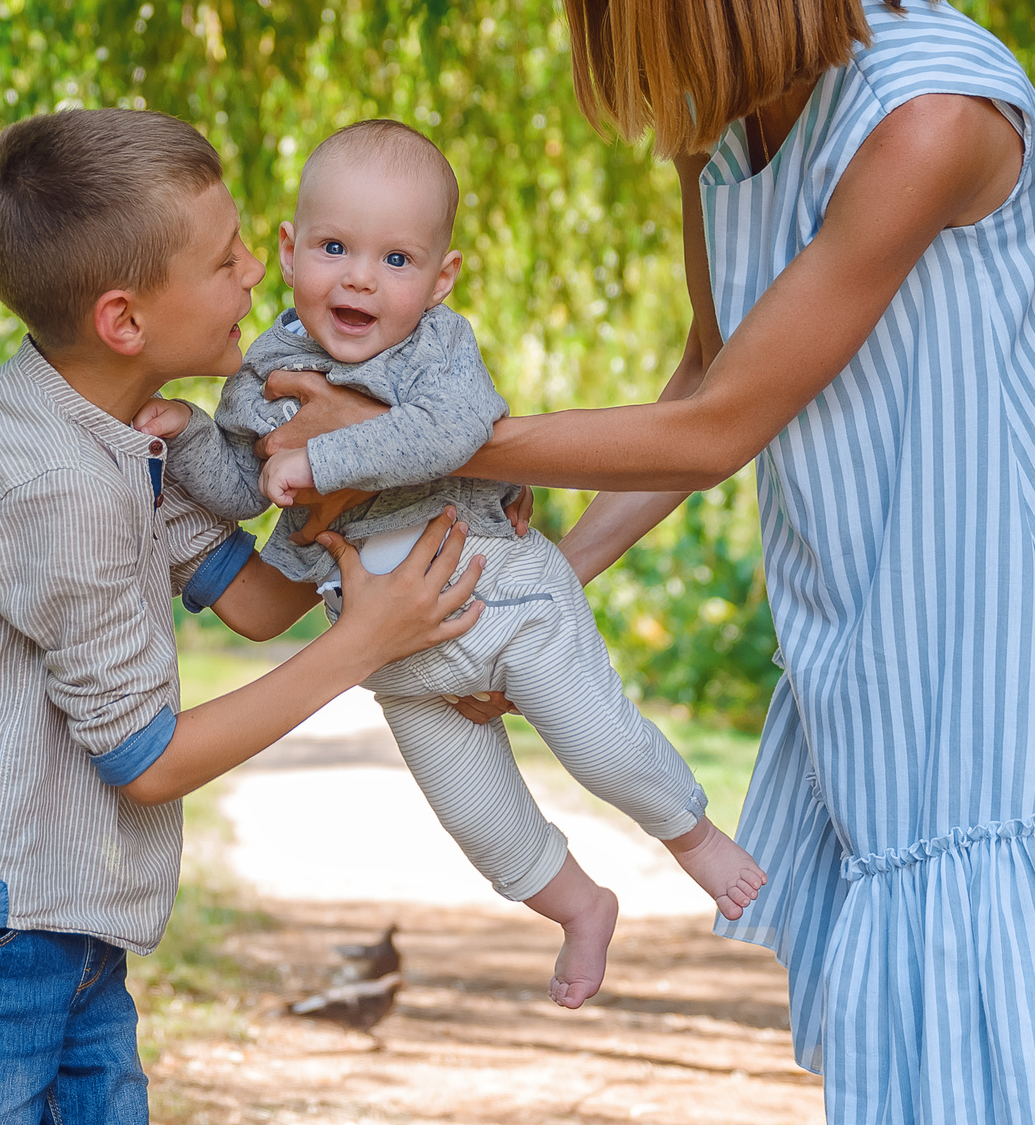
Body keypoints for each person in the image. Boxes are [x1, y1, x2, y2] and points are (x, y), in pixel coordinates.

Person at [262, 0, 1035, 1125]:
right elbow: (703, 377)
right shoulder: (729, 127)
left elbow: (726, 429)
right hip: (870, 658)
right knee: (953, 1080)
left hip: (1016, 653)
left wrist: (392, 435)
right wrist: (532, 591)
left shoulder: (928, 118)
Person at [0, 107, 488, 1125]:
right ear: (124, 320)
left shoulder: (121, 431)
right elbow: (146, 759)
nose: (253, 276)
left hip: (55, 916)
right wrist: (362, 643)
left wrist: (379, 482)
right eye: (227, 259)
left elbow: (259, 602)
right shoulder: (56, 479)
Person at [147, 116, 764, 1008]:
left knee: (598, 746)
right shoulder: (262, 371)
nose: (361, 276)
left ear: (441, 279)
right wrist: (194, 435)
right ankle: (579, 907)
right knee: (482, 824)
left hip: (503, 595)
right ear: (289, 252)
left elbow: (455, 433)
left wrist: (320, 459)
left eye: (397, 260)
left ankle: (694, 839)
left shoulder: (439, 350)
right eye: (334, 247)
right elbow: (247, 489)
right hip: (402, 660)